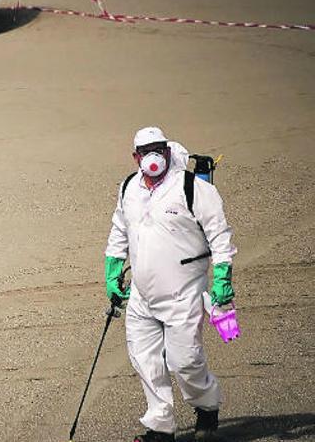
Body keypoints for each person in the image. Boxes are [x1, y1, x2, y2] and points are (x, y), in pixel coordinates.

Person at [104, 127, 237, 442]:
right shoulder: (129, 188)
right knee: (145, 360)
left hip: (182, 293)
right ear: (136, 156)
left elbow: (220, 236)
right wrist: (112, 269)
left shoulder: (192, 188)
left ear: (167, 150)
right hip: (142, 295)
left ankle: (206, 407)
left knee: (185, 360)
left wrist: (222, 280)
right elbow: (119, 229)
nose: (153, 156)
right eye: (145, 150)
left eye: (158, 148)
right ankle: (160, 427)